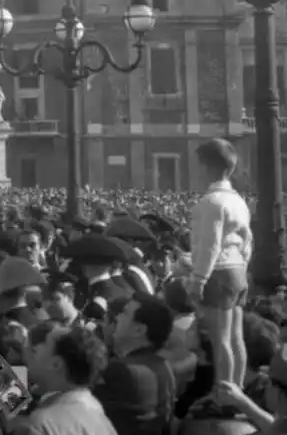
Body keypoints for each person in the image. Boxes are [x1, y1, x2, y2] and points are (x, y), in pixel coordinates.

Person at [186, 138, 251, 393]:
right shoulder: (238, 200)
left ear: (207, 166)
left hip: (219, 272)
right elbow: (248, 241)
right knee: (236, 338)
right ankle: (238, 389)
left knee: (220, 339)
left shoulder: (211, 203)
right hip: (238, 271)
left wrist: (198, 279)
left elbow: (209, 245)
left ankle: (223, 394)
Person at [95, 293, 176, 435]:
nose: (118, 317)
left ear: (139, 330)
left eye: (125, 313)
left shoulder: (120, 370)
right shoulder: (164, 366)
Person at [14, 323, 116, 435]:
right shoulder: (97, 414)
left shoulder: (40, 425)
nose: (36, 347)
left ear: (56, 364)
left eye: (45, 343)